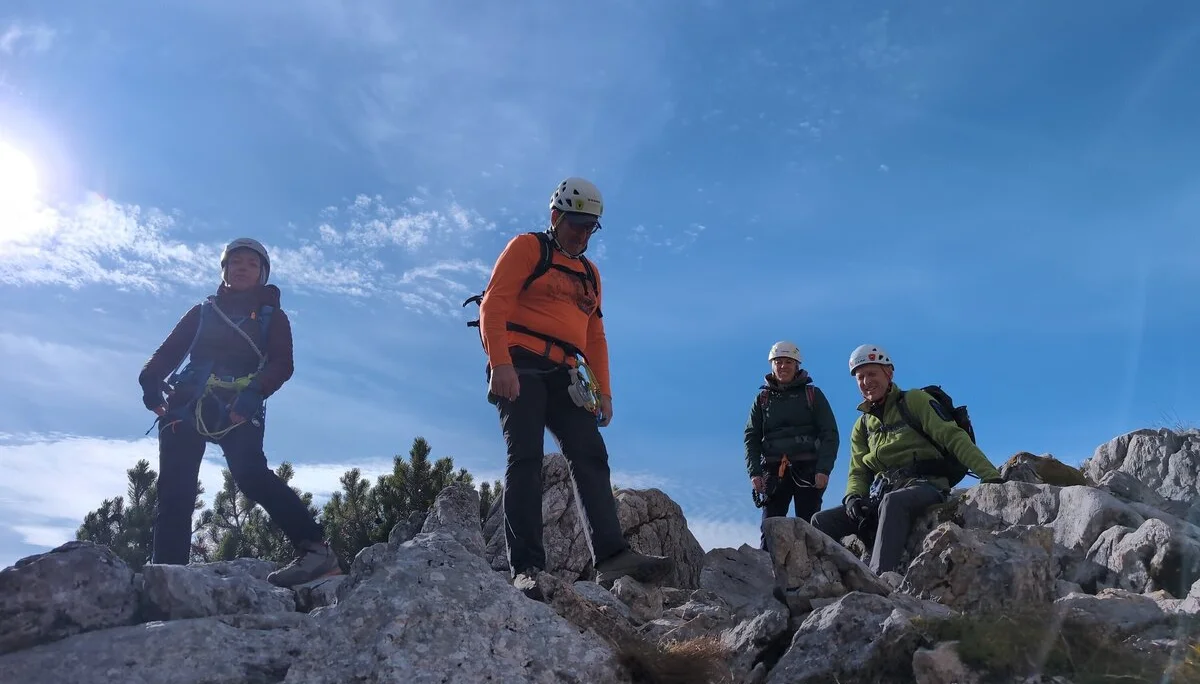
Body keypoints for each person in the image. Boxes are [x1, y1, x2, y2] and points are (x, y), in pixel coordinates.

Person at [475, 177, 674, 598]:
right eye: (576, 225)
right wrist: (500, 363)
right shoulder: (528, 249)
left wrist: (604, 392)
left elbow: (595, 335)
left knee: (590, 453)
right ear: (555, 217)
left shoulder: (589, 274)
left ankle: (612, 556)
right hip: (521, 365)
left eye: (590, 228)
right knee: (525, 457)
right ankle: (526, 567)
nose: (583, 235)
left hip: (567, 374)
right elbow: (494, 303)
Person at [137, 238, 340, 588]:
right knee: (174, 491)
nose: (242, 268)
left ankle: (316, 550)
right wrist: (150, 381)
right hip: (186, 405)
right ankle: (168, 578)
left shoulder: (272, 317)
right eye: (236, 262)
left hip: (238, 404)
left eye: (251, 263)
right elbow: (170, 351)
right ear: (225, 270)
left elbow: (282, 363)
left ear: (262, 274)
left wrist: (252, 395)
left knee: (250, 475)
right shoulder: (203, 311)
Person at [810, 344, 1002, 576]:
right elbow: (858, 471)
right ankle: (833, 580)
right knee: (820, 521)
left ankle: (879, 578)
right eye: (860, 377)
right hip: (881, 495)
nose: (866, 381)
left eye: (872, 373)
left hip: (927, 486)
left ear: (889, 373)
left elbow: (952, 437)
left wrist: (990, 475)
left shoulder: (914, 401)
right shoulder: (862, 426)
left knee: (893, 502)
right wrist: (852, 498)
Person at [743, 341, 839, 549]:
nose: (783, 366)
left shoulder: (812, 395)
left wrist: (823, 469)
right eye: (778, 362)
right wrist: (755, 473)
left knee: (809, 527)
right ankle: (767, 573)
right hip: (773, 470)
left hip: (808, 469)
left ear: (797, 366)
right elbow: (751, 436)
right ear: (772, 365)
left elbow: (829, 434)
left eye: (788, 362)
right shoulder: (762, 399)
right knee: (769, 527)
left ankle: (812, 574)